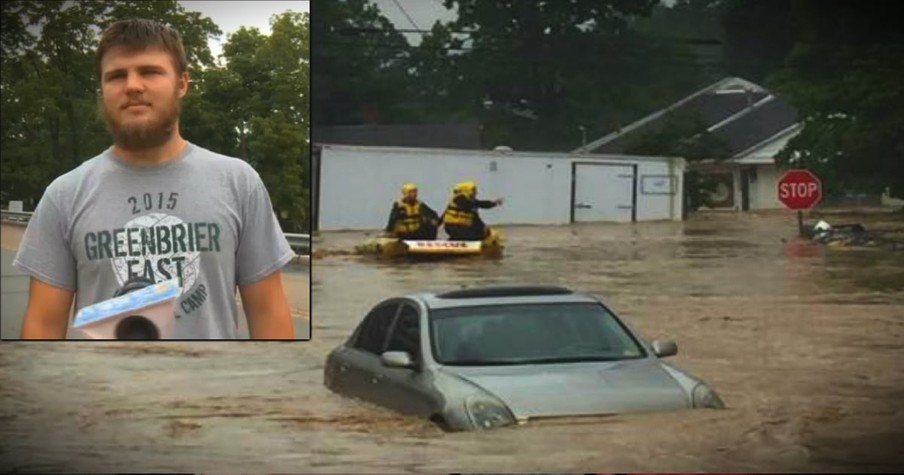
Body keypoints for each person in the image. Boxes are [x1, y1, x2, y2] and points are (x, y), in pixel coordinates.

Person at [13, 19, 296, 339]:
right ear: (103, 89)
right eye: (117, 75)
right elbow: (43, 324)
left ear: (182, 83)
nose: (132, 85)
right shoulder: (64, 195)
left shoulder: (238, 182)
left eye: (149, 71)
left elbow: (268, 311)